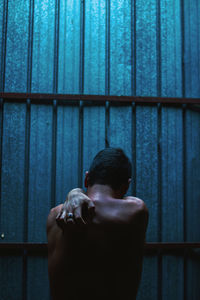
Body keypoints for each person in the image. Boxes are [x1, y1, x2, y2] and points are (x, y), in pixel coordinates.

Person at [47, 148, 148, 300]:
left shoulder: (55, 215)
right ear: (126, 186)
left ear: (87, 178)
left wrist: (75, 191)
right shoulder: (135, 211)